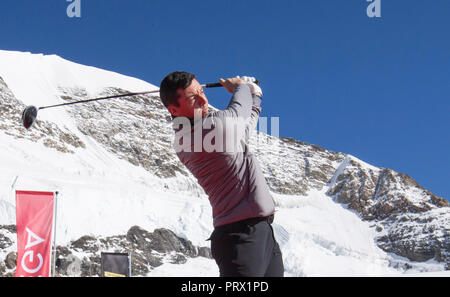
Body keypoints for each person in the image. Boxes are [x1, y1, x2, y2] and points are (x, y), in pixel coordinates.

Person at [159, 71, 284, 277]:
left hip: (262, 232)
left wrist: (256, 96)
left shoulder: (215, 129)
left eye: (201, 92)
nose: (203, 99)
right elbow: (238, 113)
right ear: (174, 109)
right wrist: (241, 86)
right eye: (193, 97)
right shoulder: (201, 132)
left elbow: (245, 125)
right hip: (239, 238)